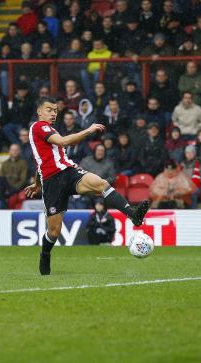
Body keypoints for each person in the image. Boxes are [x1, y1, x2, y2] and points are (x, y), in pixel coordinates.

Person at [23, 97, 150, 275]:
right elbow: (64, 142)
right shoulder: (38, 127)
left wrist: (36, 183)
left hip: (69, 172)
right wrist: (89, 129)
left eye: (55, 111)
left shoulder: (49, 130)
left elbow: (40, 161)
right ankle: (45, 254)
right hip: (53, 182)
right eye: (49, 110)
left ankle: (133, 214)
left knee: (101, 184)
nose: (53, 113)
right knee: (54, 231)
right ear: (39, 112)